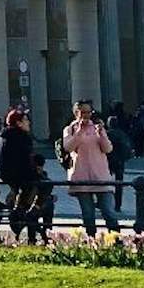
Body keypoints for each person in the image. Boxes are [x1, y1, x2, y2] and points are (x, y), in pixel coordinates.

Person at [61, 100, 119, 237]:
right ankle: (91, 239)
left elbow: (108, 149)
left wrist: (102, 135)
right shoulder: (70, 129)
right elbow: (68, 147)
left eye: (89, 112)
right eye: (83, 112)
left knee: (108, 211)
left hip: (101, 175)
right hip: (81, 176)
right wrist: (79, 132)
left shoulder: (97, 127)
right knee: (88, 214)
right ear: (76, 113)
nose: (86, 115)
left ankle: (116, 239)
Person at [0, 106, 41, 242]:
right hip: (21, 176)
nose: (29, 123)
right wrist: (36, 172)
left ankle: (22, 214)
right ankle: (23, 215)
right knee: (43, 187)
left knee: (25, 196)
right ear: (18, 123)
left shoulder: (4, 136)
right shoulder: (20, 137)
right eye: (26, 120)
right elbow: (25, 161)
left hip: (7, 175)